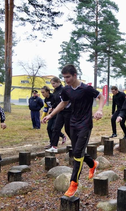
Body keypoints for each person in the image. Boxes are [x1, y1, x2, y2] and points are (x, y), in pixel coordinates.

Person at [42, 65, 105, 197]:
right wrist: (51, 115)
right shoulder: (66, 89)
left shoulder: (86, 89)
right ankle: (93, 163)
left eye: (68, 77)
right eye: (64, 77)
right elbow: (63, 103)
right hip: (72, 123)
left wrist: (99, 110)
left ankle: (73, 183)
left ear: (75, 75)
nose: (66, 80)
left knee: (77, 152)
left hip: (85, 124)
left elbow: (102, 97)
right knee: (78, 150)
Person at [46, 77, 71, 153]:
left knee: (68, 129)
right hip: (59, 112)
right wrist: (53, 108)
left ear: (58, 82)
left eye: (54, 83)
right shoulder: (55, 92)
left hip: (67, 112)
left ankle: (76, 143)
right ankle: (54, 146)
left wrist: (64, 107)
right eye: (51, 84)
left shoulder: (63, 90)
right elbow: (56, 102)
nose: (53, 85)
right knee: (55, 128)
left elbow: (67, 101)